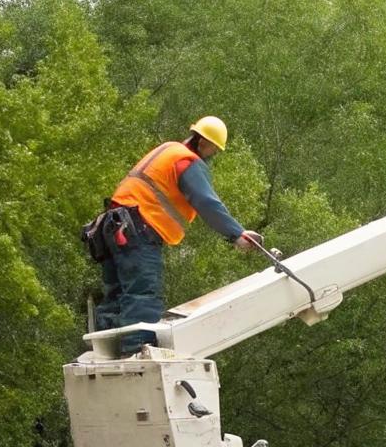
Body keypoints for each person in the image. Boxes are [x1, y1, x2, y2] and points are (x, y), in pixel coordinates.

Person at [93, 116, 267, 356]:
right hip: (138, 228)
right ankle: (136, 352)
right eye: (214, 149)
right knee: (142, 293)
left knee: (116, 293)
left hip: (112, 227)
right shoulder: (186, 161)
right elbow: (206, 202)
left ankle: (104, 353)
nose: (214, 154)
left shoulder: (168, 150)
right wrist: (237, 234)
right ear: (204, 142)